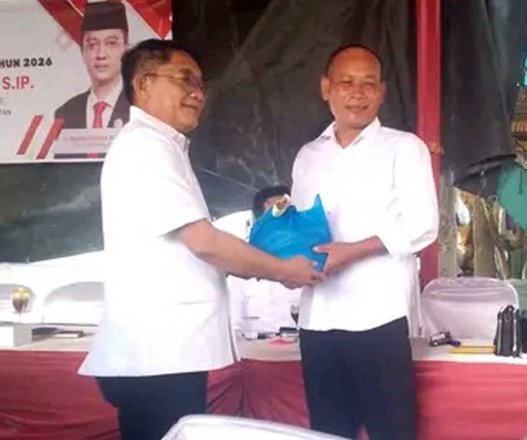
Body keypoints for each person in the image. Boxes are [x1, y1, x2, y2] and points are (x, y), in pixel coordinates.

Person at [78, 39, 323, 440]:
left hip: (165, 351)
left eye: (199, 84)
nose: (197, 92)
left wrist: (258, 262)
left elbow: (191, 249)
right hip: (157, 351)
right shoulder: (146, 147)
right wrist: (281, 269)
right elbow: (203, 242)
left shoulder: (163, 146)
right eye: (184, 80)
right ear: (143, 84)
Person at [291, 44, 439, 440]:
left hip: (378, 318)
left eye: (368, 84)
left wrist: (353, 251)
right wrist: (286, 262)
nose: (357, 93)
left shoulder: (403, 147)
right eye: (346, 83)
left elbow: (424, 225)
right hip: (317, 318)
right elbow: (305, 229)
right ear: (326, 88)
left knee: (391, 431)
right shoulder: (308, 155)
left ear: (382, 92)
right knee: (328, 432)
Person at [228, 185, 302, 335]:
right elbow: (234, 318)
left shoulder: (308, 254)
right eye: (277, 210)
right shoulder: (242, 258)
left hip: (302, 339)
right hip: (255, 343)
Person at [54, 1, 130, 129]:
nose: (101, 54)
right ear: (82, 51)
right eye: (92, 45)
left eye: (111, 43)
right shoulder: (66, 113)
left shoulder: (139, 109)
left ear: (126, 49)